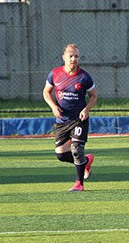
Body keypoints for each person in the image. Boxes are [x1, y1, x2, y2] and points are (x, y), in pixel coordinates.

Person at [43, 44, 97, 192]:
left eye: (76, 56)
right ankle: (85, 162)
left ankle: (79, 183)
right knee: (60, 155)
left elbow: (93, 96)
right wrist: (53, 107)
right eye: (71, 56)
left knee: (76, 149)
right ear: (64, 57)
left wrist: (86, 109)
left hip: (79, 119)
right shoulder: (55, 74)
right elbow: (46, 92)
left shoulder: (84, 77)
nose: (73, 59)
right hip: (62, 121)